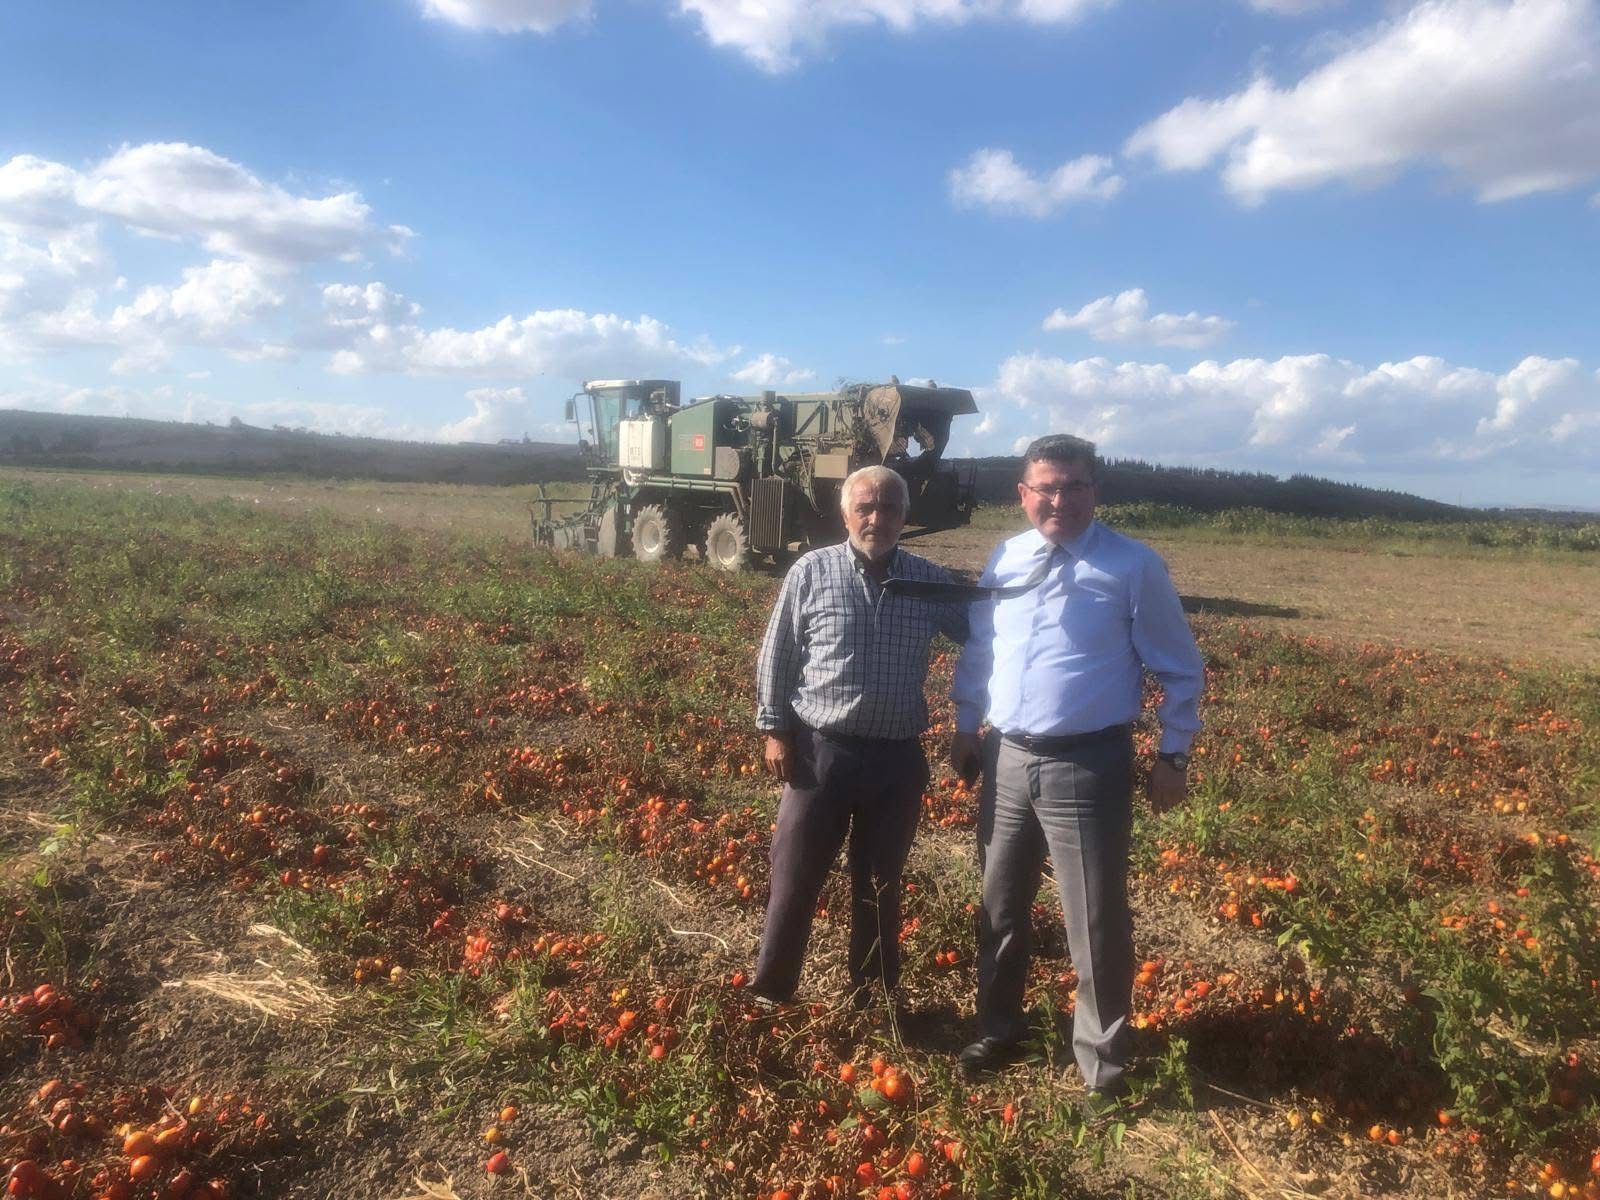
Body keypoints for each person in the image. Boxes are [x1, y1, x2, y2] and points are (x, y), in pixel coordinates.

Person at [950, 434, 1203, 1105]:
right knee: (1000, 908)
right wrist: (964, 724)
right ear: (1023, 494)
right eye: (1046, 487)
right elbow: (982, 649)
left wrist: (1173, 755)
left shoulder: (1131, 566)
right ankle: (999, 1029)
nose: (1059, 500)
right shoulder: (1007, 556)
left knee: (1094, 920)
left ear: (1096, 491)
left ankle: (1104, 1064)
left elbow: (1180, 668)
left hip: (1088, 763)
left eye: (1074, 486)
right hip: (1005, 756)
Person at [752, 465, 968, 1009]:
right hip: (820, 753)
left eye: (890, 508)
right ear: (845, 513)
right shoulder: (811, 571)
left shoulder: (928, 579)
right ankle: (772, 991)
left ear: (905, 516)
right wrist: (776, 729)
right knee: (794, 877)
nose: (878, 518)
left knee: (880, 885)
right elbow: (777, 653)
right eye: (866, 507)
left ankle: (872, 1000)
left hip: (897, 759)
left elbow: (987, 634)